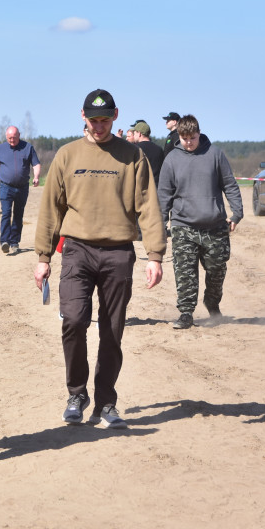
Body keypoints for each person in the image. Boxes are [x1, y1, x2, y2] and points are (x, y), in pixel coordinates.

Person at [33, 89, 166, 430]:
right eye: (94, 120)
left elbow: (148, 205)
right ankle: (77, 394)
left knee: (112, 330)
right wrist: (44, 256)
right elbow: (51, 208)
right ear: (83, 117)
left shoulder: (133, 156)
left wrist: (155, 255)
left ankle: (106, 402)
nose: (99, 126)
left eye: (105, 119)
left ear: (116, 116)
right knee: (73, 320)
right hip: (77, 249)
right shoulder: (67, 155)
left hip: (118, 252)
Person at [156, 114, 243, 329]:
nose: (189, 143)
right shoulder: (172, 159)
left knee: (216, 271)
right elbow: (164, 194)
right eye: (184, 139)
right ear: (179, 136)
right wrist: (161, 223)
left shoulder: (215, 154)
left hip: (215, 226)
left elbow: (230, 185)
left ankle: (212, 303)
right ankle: (186, 312)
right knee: (185, 273)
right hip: (183, 226)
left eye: (192, 138)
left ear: (199, 133)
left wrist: (236, 213)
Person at [0, 126, 41, 255]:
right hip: (6, 187)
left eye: (14, 138)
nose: (12, 140)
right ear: (6, 137)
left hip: (22, 188)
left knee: (18, 214)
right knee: (6, 213)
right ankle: (4, 241)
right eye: (9, 138)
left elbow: (36, 164)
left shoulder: (28, 147)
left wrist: (36, 177)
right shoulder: (0, 149)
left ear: (19, 135)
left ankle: (14, 242)